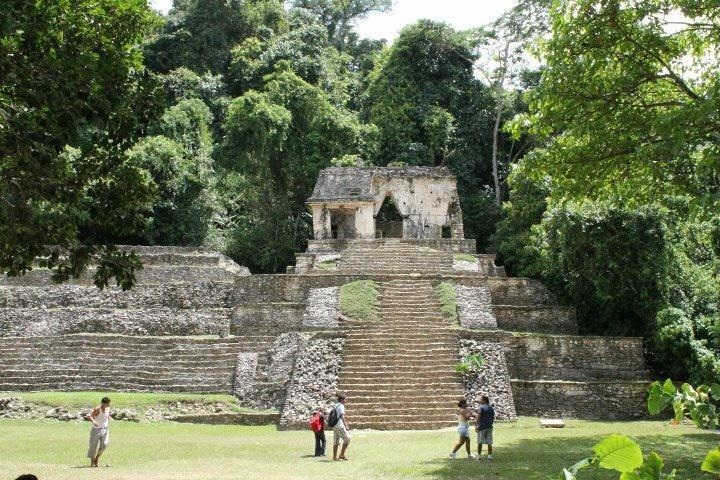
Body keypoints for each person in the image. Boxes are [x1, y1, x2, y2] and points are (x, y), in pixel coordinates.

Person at [86, 396, 111, 467]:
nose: (109, 405)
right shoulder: (97, 409)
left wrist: (109, 417)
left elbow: (107, 415)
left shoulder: (108, 408)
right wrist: (94, 421)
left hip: (105, 429)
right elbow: (90, 416)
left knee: (104, 444)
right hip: (96, 430)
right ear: (104, 403)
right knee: (93, 446)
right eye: (108, 403)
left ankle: (96, 458)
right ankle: (92, 462)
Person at [475, 395, 495, 461]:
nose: (480, 401)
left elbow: (478, 417)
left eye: (481, 399)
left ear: (484, 400)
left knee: (480, 442)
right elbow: (493, 417)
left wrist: (476, 425)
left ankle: (479, 457)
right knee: (489, 442)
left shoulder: (481, 407)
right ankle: (489, 457)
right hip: (489, 427)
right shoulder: (491, 408)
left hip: (482, 427)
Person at [332, 394, 351, 461]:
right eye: (345, 399)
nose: (346, 401)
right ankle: (341, 455)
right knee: (347, 438)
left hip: (334, 426)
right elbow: (342, 415)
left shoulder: (335, 405)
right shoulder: (341, 406)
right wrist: (346, 425)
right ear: (342, 400)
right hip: (339, 426)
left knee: (336, 442)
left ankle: (334, 457)